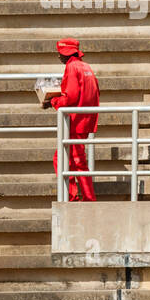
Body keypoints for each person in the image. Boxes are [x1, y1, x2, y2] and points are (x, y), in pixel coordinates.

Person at [43, 37, 100, 202]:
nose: (58, 57)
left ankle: (81, 198)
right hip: (85, 120)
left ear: (65, 53)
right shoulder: (85, 66)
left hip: (76, 122)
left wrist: (53, 102)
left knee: (69, 160)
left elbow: (70, 97)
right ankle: (78, 197)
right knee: (72, 160)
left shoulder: (72, 67)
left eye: (59, 53)